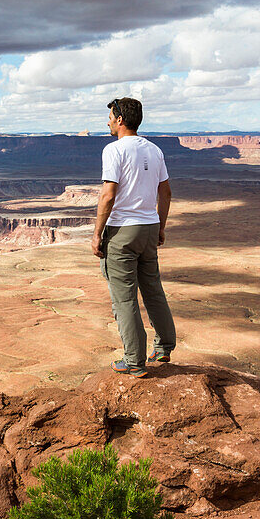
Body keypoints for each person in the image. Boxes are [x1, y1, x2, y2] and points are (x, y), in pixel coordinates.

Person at [90, 97, 175, 378]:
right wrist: (160, 227)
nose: (108, 122)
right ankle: (163, 347)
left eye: (111, 117)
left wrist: (96, 234)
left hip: (123, 232)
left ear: (120, 120)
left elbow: (108, 195)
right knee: (152, 290)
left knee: (124, 299)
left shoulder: (114, 150)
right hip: (149, 228)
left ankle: (134, 361)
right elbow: (166, 193)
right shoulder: (155, 150)